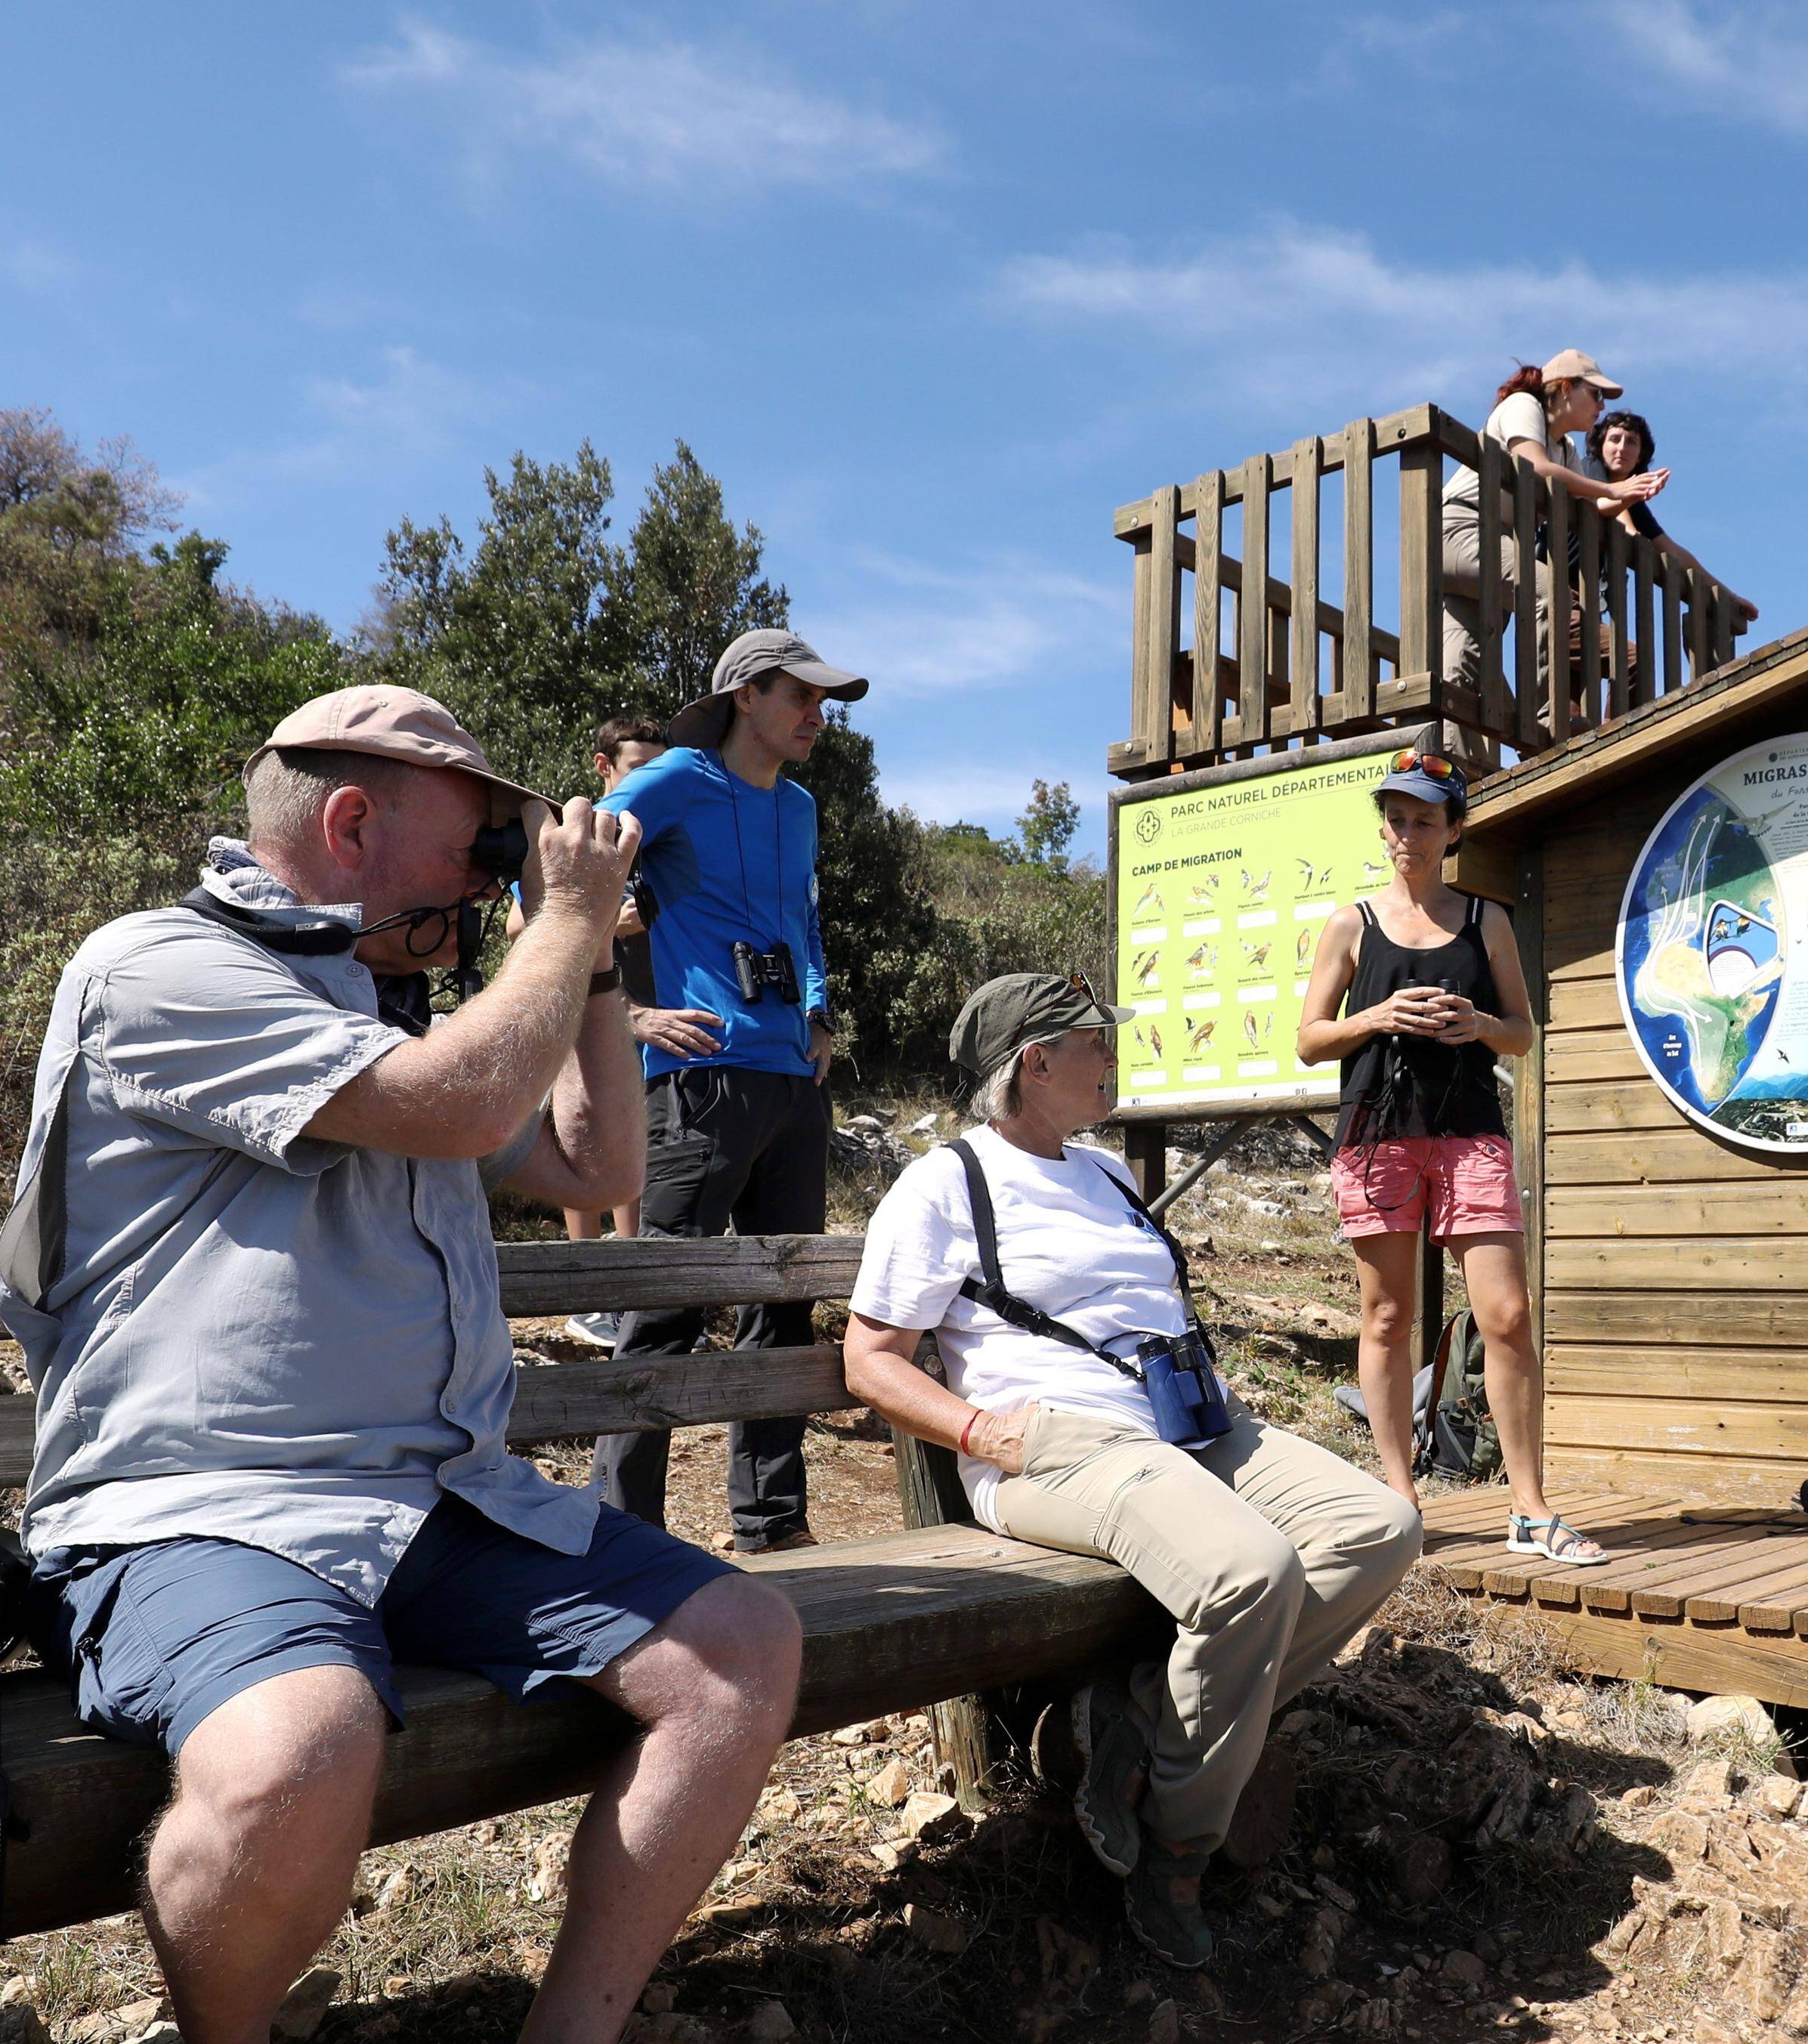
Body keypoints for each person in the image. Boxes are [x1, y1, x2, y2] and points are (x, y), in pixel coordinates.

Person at [0, 685, 805, 2044]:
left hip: (429, 1496)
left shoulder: (409, 1012)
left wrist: (595, 959)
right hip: (200, 1499)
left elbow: (593, 1156)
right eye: (475, 829)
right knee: (298, 1748)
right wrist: (558, 918)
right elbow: (450, 1105)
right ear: (353, 821)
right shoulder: (159, 967)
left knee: (739, 1645)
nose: (499, 858)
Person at [841, 975, 1423, 1968]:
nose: (1115, 1057)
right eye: (1095, 1042)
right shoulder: (945, 1183)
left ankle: (1136, 1723)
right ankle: (1179, 1844)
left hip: (1186, 1426)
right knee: (1252, 1573)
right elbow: (869, 1358)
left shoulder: (1107, 1173)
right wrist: (979, 1431)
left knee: (1380, 1527)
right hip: (1059, 1444)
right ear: (1034, 1062)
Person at [592, 627, 869, 1553]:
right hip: (701, 1082)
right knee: (664, 1305)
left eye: (823, 701)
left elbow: (804, 922)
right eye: (801, 695)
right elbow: (555, 875)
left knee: (784, 1309)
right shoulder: (676, 778)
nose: (817, 715)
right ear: (745, 695)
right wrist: (629, 1016)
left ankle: (771, 1527)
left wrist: (820, 1014)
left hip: (794, 1086)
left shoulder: (799, 807)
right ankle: (622, 1539)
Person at [1292, 749, 1587, 1563]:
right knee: (1387, 1318)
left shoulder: (1487, 920)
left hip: (1469, 1132)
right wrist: (1378, 1015)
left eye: (1424, 820)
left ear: (1454, 830)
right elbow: (1309, 1039)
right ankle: (1400, 1502)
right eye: (1395, 819)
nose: (1406, 834)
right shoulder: (1351, 923)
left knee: (1508, 1315)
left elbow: (1521, 1033)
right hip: (1378, 1135)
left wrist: (1478, 1025)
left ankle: (1529, 1508)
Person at [1439, 350, 1667, 724]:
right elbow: (1536, 467)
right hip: (1462, 528)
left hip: (1496, 544)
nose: (1601, 405)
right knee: (1551, 592)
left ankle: (1450, 752)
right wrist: (1613, 489)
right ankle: (1550, 716)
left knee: (1464, 656)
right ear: (1564, 389)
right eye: (1595, 394)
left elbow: (1586, 509)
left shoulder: (1566, 449)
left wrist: (1628, 494)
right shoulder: (1523, 405)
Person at [545, 715, 667, 1346]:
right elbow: (520, 924)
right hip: (584, 1011)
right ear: (604, 767)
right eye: (639, 768)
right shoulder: (571, 834)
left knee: (633, 1148)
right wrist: (610, 924)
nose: (652, 781)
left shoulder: (659, 844)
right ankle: (587, 1299)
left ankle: (629, 1295)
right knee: (583, 1145)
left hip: (650, 1014)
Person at [1586, 408, 1758, 642]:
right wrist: (1633, 507)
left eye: (1631, 442)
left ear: (1640, 455)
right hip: (1560, 583)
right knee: (1630, 658)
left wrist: (1729, 596)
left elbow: (1670, 549)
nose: (1622, 448)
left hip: (1587, 597)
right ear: (1601, 446)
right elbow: (1606, 509)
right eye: (1614, 439)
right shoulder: (1590, 468)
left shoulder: (1633, 503)